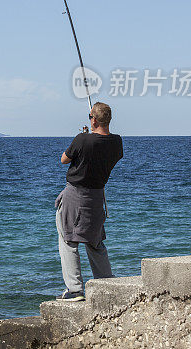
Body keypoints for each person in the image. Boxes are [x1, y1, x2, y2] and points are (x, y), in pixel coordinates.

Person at [55, 101, 123, 301]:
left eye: (90, 116)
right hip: (96, 197)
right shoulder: (117, 142)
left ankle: (75, 289)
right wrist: (89, 136)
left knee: (68, 240)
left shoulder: (82, 140)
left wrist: (85, 137)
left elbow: (64, 159)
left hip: (75, 195)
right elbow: (99, 151)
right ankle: (106, 283)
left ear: (93, 120)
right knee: (95, 241)